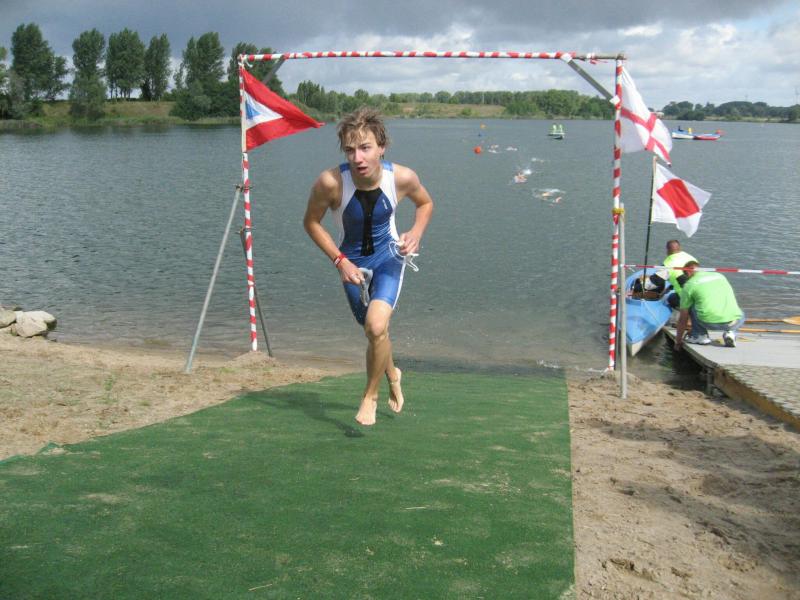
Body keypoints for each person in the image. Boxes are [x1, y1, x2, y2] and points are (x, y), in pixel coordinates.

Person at [303, 108, 434, 426]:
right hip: (351, 264)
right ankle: (393, 374)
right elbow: (311, 223)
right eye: (350, 150)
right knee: (374, 331)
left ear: (381, 147)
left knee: (376, 327)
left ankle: (369, 397)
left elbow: (425, 203)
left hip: (389, 258)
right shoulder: (331, 183)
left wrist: (416, 233)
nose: (357, 158)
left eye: (365, 148)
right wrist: (340, 261)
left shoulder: (401, 178)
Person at [674, 261, 745, 350]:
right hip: (733, 321)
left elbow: (683, 318)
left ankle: (700, 335)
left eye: (686, 275)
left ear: (688, 272)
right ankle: (730, 333)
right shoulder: (720, 276)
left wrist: (678, 341)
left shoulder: (689, 285)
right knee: (739, 312)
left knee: (690, 306)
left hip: (708, 322)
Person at [663, 239, 697, 308]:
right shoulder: (691, 258)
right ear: (680, 248)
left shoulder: (668, 263)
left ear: (667, 250)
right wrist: (670, 288)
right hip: (698, 291)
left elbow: (657, 281)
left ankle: (685, 309)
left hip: (688, 297)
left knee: (671, 298)